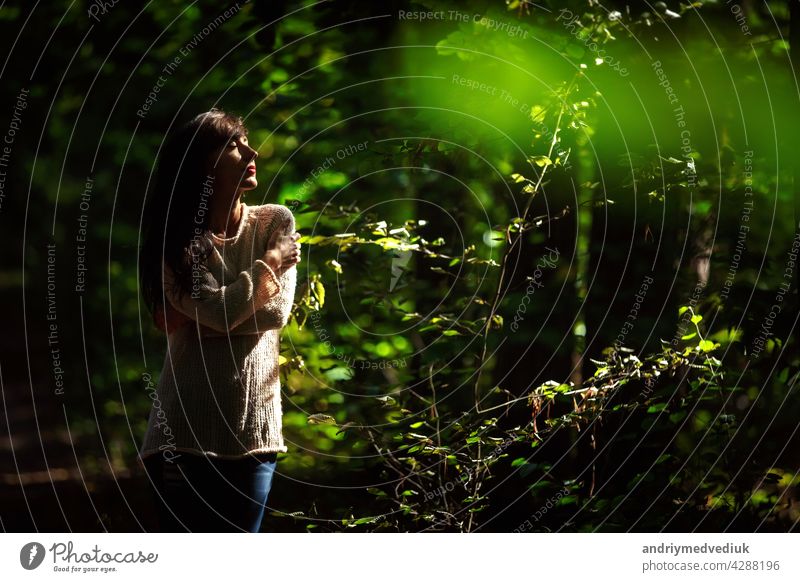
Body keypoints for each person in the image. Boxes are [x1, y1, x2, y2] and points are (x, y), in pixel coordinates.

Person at [137, 108, 300, 532]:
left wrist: (214, 314)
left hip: (255, 437)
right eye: (232, 143)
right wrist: (270, 265)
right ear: (200, 164)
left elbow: (276, 312)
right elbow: (225, 313)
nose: (252, 150)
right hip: (181, 437)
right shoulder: (177, 241)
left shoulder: (276, 221)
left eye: (245, 138)